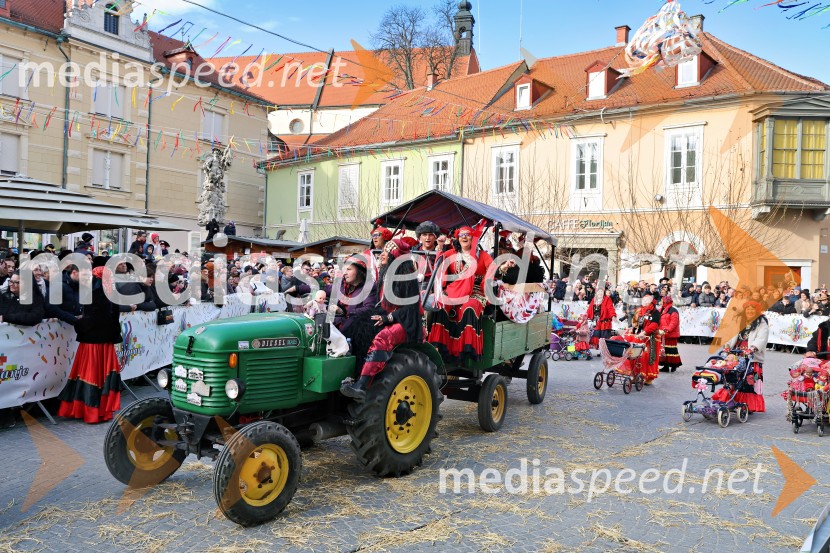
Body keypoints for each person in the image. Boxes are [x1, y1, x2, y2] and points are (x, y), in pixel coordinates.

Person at [341, 238, 422, 400]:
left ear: (394, 256)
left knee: (383, 337)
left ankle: (362, 384)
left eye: (387, 252)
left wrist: (388, 318)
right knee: (358, 327)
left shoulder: (407, 277)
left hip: (405, 321)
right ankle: (353, 373)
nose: (382, 255)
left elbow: (410, 308)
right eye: (383, 252)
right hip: (387, 315)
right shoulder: (385, 274)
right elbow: (382, 304)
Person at [57, 258, 122, 424]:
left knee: (90, 374)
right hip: (105, 342)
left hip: (93, 342)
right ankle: (101, 411)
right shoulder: (110, 293)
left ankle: (90, 411)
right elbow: (112, 318)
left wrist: (79, 323)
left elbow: (92, 319)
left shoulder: (96, 294)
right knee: (102, 375)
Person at [428, 224, 493, 362]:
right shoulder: (452, 253)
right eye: (461, 235)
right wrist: (440, 246)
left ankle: (465, 350)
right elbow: (440, 263)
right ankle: (440, 347)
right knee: (441, 305)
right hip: (455, 289)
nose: (464, 237)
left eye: (467, 235)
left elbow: (492, 268)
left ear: (473, 238)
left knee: (469, 307)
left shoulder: (482, 255)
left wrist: (503, 267)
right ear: (457, 238)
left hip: (476, 291)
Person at [714, 301, 768, 413]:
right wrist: (727, 346)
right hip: (736, 353)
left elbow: (761, 338)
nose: (750, 311)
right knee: (732, 377)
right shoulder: (739, 320)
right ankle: (731, 399)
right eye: (748, 309)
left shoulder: (762, 322)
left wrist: (753, 348)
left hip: (751, 355)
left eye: (752, 309)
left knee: (749, 381)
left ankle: (749, 405)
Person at [414, 220, 442, 291]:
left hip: (434, 288)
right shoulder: (413, 252)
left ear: (435, 237)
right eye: (424, 235)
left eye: (430, 235)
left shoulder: (441, 252)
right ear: (420, 237)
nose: (427, 238)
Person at [658, 295, 682, 372]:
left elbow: (674, 323)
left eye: (662, 301)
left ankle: (673, 365)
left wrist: (667, 329)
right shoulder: (661, 310)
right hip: (663, 333)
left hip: (670, 334)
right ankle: (666, 366)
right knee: (664, 350)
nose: (661, 302)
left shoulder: (673, 310)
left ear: (666, 301)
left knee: (671, 350)